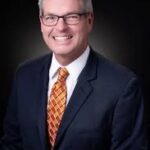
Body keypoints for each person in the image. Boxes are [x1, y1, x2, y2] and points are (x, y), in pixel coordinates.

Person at [0, 0, 148, 149]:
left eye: (71, 16)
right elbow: (11, 144)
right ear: (41, 23)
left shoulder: (122, 86)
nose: (61, 27)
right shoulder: (24, 75)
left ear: (89, 20)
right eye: (51, 18)